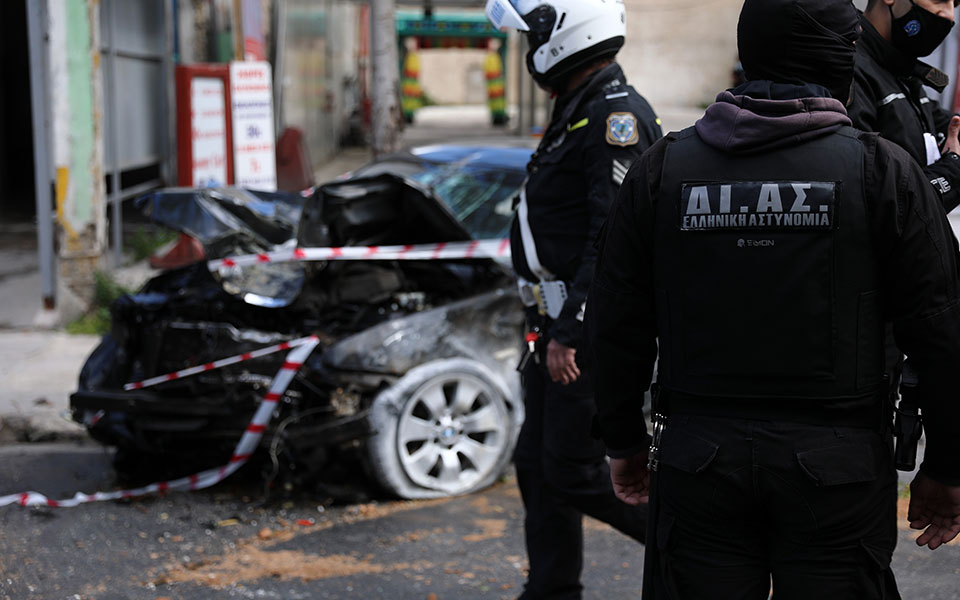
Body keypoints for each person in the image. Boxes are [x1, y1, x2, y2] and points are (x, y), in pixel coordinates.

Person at [585, 0, 960, 598]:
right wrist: (946, 468)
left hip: (699, 462)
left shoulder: (662, 171)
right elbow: (941, 332)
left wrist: (622, 441)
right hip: (836, 468)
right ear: (841, 58)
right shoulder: (883, 172)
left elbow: (613, 323)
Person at [484, 0, 662, 597]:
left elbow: (610, 237)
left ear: (563, 33)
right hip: (548, 326)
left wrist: (571, 330)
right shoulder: (578, 109)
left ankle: (705, 551)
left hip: (578, 334)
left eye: (529, 34)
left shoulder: (615, 115)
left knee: (577, 473)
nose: (525, 47)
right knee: (538, 468)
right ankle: (552, 591)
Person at [849, 0, 960, 212]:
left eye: (954, 4)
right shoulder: (849, 71)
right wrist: (952, 171)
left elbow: (948, 125)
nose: (949, 15)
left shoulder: (902, 69)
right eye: (939, 0)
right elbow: (873, 205)